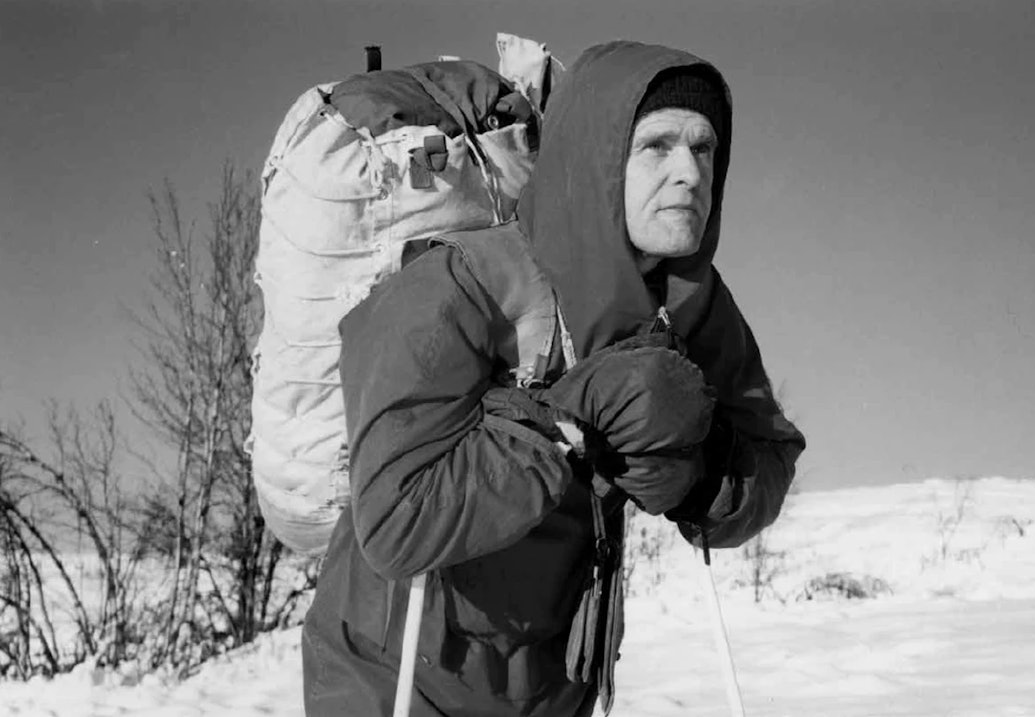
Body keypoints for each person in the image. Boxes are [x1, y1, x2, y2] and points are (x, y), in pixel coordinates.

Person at [302, 40, 806, 717]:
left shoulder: (690, 304)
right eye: (657, 146)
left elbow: (769, 454)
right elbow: (399, 520)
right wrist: (568, 420)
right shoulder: (459, 286)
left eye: (705, 148)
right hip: (394, 679)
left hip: (555, 687)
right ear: (597, 159)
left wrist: (703, 474)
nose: (690, 172)